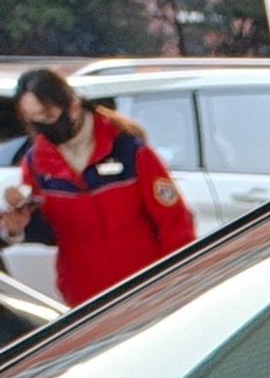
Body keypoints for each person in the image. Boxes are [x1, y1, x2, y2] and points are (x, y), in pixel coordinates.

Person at [1, 68, 194, 307]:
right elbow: (50, 231)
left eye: (47, 115)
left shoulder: (128, 151)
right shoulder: (37, 163)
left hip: (148, 290)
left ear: (72, 105)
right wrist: (18, 227)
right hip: (86, 302)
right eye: (34, 120)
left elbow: (174, 222)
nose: (43, 126)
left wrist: (179, 282)